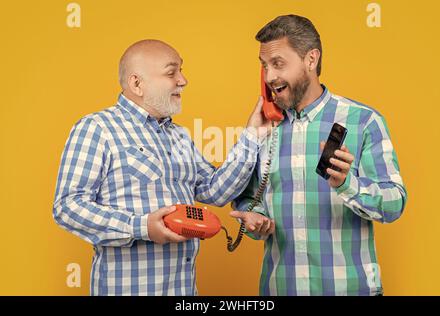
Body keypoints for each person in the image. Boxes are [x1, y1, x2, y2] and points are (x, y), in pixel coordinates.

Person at [53, 39, 272, 295]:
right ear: (137, 84)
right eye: (172, 72)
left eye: (181, 70)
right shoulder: (97, 129)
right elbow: (67, 206)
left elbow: (216, 191)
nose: (183, 80)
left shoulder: (178, 136)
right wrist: (142, 227)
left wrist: (252, 136)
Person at [231, 15, 407, 296]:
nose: (269, 77)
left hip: (348, 289)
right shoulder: (264, 127)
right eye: (264, 66)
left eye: (278, 63)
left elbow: (394, 203)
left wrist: (348, 185)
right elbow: (249, 199)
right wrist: (255, 220)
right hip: (280, 289)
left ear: (311, 60)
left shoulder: (363, 121)